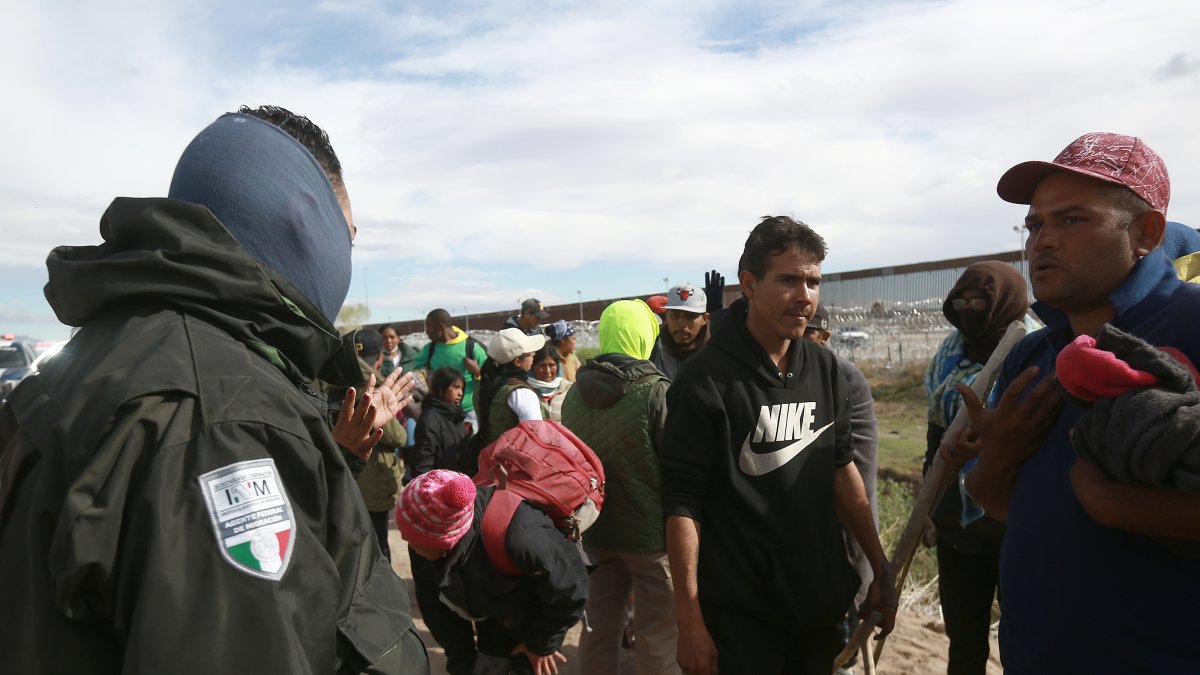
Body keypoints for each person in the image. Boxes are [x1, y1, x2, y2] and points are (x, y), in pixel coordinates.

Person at [0, 106, 427, 673]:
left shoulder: (124, 350)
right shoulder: (224, 417)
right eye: (347, 233)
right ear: (303, 222)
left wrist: (332, 459)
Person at [957, 132, 1200, 672]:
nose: (1042, 241)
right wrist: (995, 460)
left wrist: (1121, 506)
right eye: (1036, 224)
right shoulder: (1031, 356)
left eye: (1072, 220)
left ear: (1146, 232)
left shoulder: (1190, 326)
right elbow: (1004, 505)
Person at [660, 216, 895, 675]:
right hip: (742, 616)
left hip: (816, 603)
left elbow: (841, 468)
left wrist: (878, 563)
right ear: (748, 283)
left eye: (813, 281)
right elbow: (682, 506)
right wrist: (689, 622)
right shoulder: (705, 381)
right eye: (788, 280)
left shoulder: (826, 370)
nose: (804, 295)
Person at [560, 299, 678, 675]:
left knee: (598, 625)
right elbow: (676, 466)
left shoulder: (575, 394)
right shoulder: (657, 392)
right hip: (650, 537)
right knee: (659, 632)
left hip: (596, 533)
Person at [921, 262, 1027, 675]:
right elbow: (935, 434)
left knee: (1024, 643)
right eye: (961, 302)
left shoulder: (1033, 352)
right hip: (958, 529)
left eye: (979, 302)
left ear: (1005, 304)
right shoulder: (949, 353)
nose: (968, 310)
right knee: (964, 645)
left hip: (1017, 526)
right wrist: (931, 502)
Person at [397, 470, 588, 675]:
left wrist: (541, 644)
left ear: (444, 540)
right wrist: (462, 664)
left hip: (534, 620)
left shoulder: (520, 538)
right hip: (492, 615)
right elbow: (434, 607)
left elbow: (570, 591)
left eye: (414, 540)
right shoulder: (422, 536)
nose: (406, 540)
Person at [801, 304, 880, 659]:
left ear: (824, 337)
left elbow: (853, 478)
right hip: (805, 539)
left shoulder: (840, 378)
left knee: (840, 640)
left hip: (843, 530)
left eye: (808, 334)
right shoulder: (793, 373)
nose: (798, 342)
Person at [351, 328, 408, 562]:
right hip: (372, 478)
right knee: (378, 548)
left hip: (349, 479)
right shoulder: (373, 386)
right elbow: (397, 437)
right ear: (380, 357)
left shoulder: (337, 378)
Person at [413, 308, 487, 433]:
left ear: (440, 327)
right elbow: (413, 370)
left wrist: (477, 371)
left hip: (469, 413)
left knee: (469, 450)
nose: (426, 333)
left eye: (429, 328)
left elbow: (490, 376)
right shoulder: (430, 349)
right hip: (441, 413)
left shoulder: (471, 347)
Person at [477, 328, 548, 444]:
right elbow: (536, 437)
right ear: (517, 361)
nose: (534, 354)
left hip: (490, 457)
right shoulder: (521, 393)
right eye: (530, 353)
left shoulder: (484, 385)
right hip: (516, 460)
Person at [650, 283, 711, 379]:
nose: (681, 323)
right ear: (667, 316)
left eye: (690, 316)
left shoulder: (719, 354)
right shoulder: (653, 350)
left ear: (704, 318)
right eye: (675, 315)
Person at [527, 344, 573, 421]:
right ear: (532, 367)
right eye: (542, 365)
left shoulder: (568, 389)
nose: (547, 371)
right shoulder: (525, 390)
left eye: (552, 365)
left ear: (558, 366)